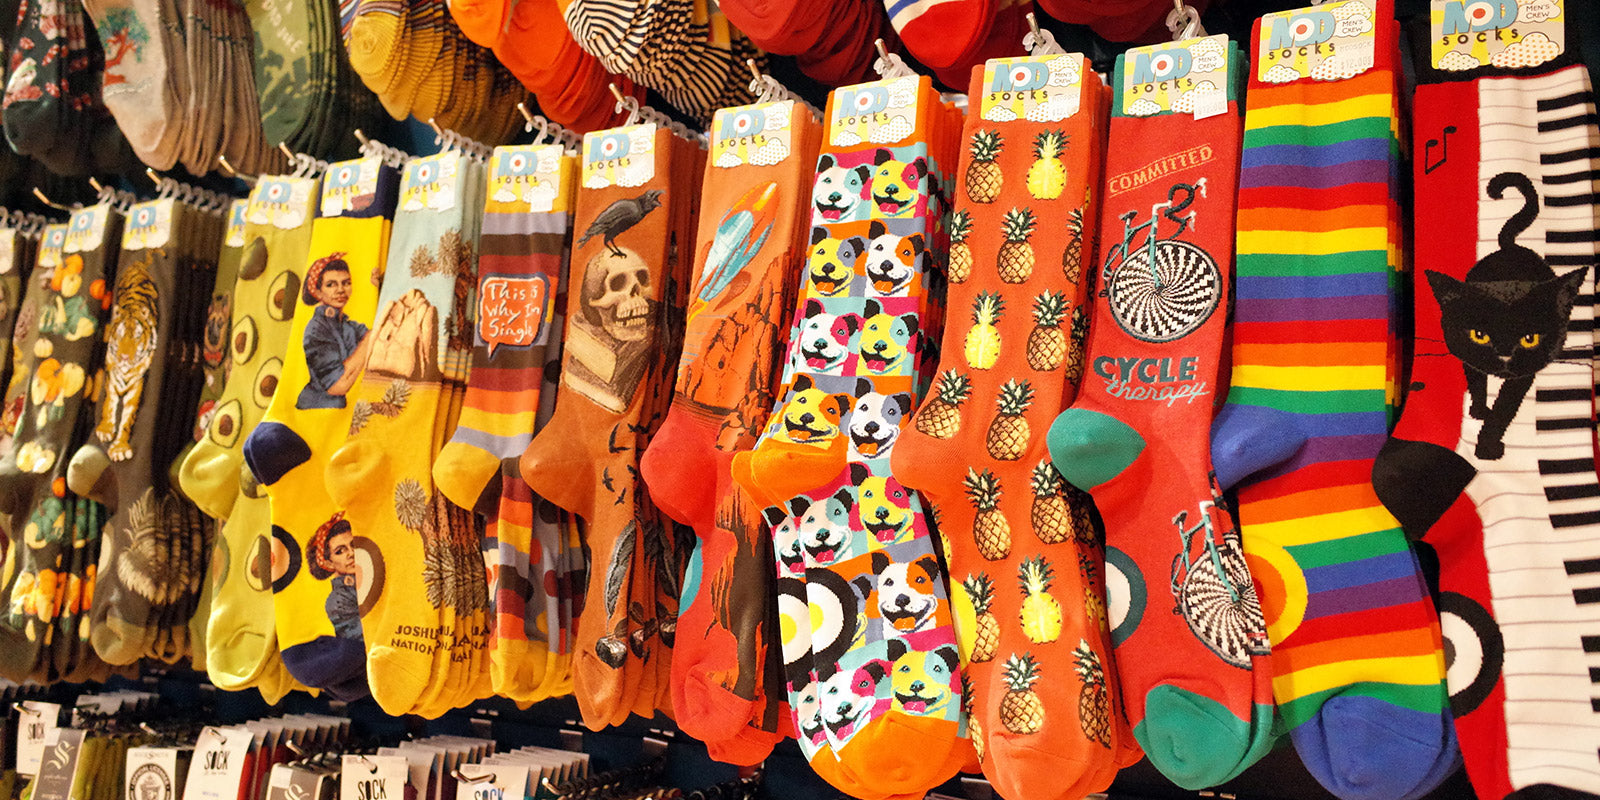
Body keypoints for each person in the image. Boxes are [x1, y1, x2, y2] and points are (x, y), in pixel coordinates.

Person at [297, 253, 374, 409]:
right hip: (314, 411)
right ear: (317, 292)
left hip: (337, 411)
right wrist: (369, 340)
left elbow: (377, 333)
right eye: (331, 285)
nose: (340, 290)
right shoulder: (316, 329)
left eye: (346, 283)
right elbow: (337, 385)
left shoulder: (348, 326)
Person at [307, 513, 362, 640]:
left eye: (354, 545)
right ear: (328, 563)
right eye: (340, 551)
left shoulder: (371, 576)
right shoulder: (338, 601)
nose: (351, 553)